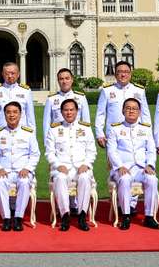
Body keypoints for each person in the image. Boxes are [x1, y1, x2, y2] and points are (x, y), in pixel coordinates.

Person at [106, 97, 159, 230]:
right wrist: (119, 166)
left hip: (141, 168)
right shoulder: (115, 129)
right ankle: (125, 216)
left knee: (152, 179)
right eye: (128, 108)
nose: (131, 111)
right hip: (123, 168)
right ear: (123, 110)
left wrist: (150, 165)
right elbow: (111, 151)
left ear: (140, 112)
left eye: (134, 109)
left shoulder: (146, 129)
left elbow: (151, 150)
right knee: (125, 179)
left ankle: (149, 217)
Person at [45, 97, 96, 231]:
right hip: (62, 167)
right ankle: (65, 216)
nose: (69, 113)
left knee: (85, 177)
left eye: (71, 110)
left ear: (77, 111)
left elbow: (92, 151)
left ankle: (82, 215)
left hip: (81, 166)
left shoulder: (85, 128)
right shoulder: (54, 129)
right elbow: (49, 153)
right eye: (66, 110)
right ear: (61, 112)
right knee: (60, 178)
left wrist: (86, 164)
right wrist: (57, 165)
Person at [0, 101, 39, 232]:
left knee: (24, 181)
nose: (12, 115)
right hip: (4, 171)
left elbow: (35, 154)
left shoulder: (28, 133)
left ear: (20, 114)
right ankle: (6, 218)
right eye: (8, 112)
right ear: (4, 115)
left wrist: (27, 168)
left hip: (21, 171)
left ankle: (18, 218)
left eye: (15, 112)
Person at [95, 61, 150, 148]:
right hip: (113, 135)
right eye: (120, 72)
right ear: (115, 74)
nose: (123, 75)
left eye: (126, 72)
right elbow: (100, 114)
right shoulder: (107, 90)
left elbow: (145, 113)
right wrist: (99, 134)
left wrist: (148, 133)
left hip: (136, 134)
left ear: (130, 74)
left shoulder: (139, 90)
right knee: (113, 160)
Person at [0, 62, 36, 133]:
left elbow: (30, 117)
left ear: (18, 74)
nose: (10, 76)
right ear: (2, 74)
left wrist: (33, 136)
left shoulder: (26, 91)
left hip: (21, 135)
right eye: (7, 73)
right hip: (1, 134)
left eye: (13, 73)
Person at [44, 68, 90, 137]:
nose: (64, 81)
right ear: (58, 81)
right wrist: (46, 142)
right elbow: (46, 123)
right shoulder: (51, 99)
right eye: (61, 79)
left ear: (72, 80)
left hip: (76, 136)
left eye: (67, 78)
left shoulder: (81, 98)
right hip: (58, 136)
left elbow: (86, 121)